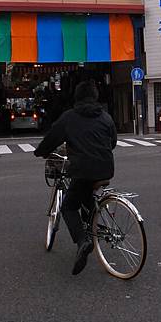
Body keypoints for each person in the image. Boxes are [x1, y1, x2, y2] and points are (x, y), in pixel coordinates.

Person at [34, 81, 117, 276]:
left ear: (77, 97)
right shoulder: (105, 117)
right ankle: (90, 226)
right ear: (95, 96)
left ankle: (82, 242)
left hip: (82, 170)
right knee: (86, 195)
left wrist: (40, 152)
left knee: (69, 206)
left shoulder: (69, 118)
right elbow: (112, 142)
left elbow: (51, 139)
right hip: (106, 169)